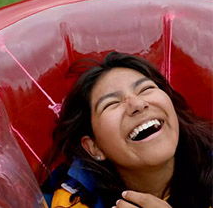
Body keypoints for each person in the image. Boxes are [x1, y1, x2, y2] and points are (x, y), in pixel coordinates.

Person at [43, 52, 212, 208]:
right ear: (94, 147)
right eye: (111, 103)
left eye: (146, 89)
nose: (138, 104)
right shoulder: (72, 202)